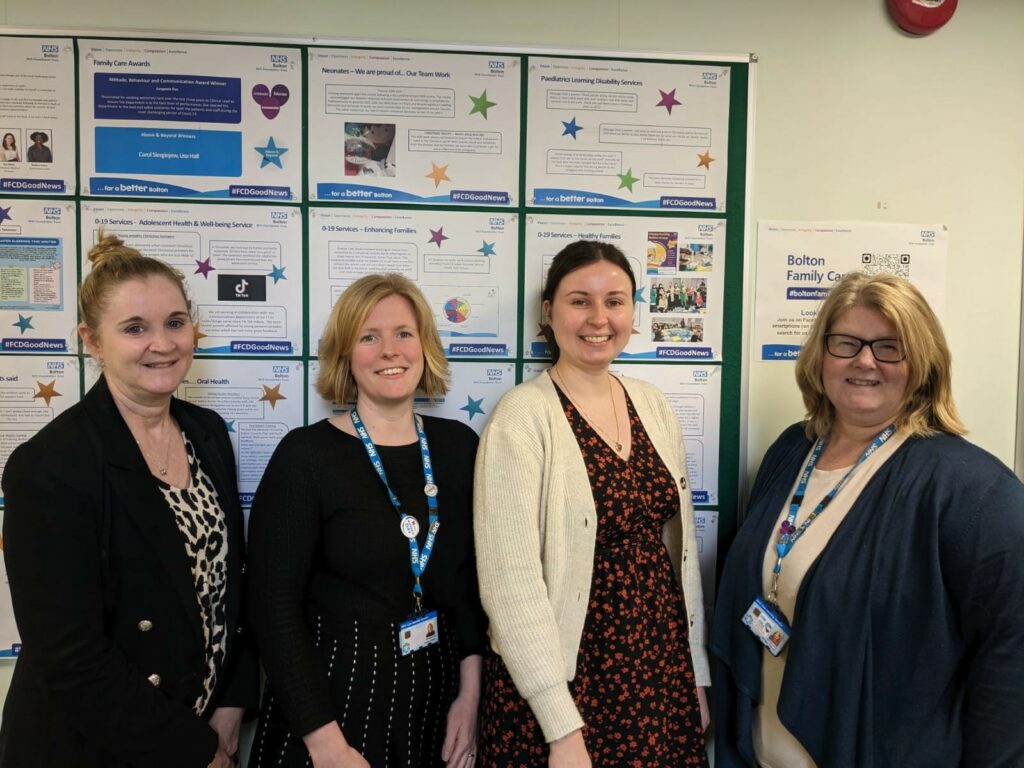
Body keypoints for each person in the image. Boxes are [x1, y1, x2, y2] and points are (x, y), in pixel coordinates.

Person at [711, 272, 1024, 768]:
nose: (864, 360)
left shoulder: (972, 490)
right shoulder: (792, 450)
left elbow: (1012, 662)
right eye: (846, 343)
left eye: (889, 347)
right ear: (821, 356)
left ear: (923, 364)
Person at [0, 232, 257, 768]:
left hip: (200, 723)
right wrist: (198, 753)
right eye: (135, 328)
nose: (162, 343)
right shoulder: (50, 466)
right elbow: (72, 662)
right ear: (91, 341)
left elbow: (227, 588)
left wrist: (231, 702)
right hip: (93, 746)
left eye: (174, 323)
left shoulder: (206, 432)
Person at [474, 240, 710, 768]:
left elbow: (683, 557)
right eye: (580, 300)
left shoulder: (651, 403)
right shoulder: (522, 416)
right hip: (563, 686)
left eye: (615, 301)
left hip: (657, 667)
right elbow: (509, 585)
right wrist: (561, 728)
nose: (598, 318)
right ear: (549, 312)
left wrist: (693, 676)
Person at [248, 273, 487, 768]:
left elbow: (469, 590)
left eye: (404, 333)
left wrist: (471, 696)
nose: (389, 351)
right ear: (345, 354)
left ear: (425, 346)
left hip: (438, 711)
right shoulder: (306, 456)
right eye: (368, 336)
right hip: (333, 710)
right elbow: (273, 612)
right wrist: (327, 746)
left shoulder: (459, 447)